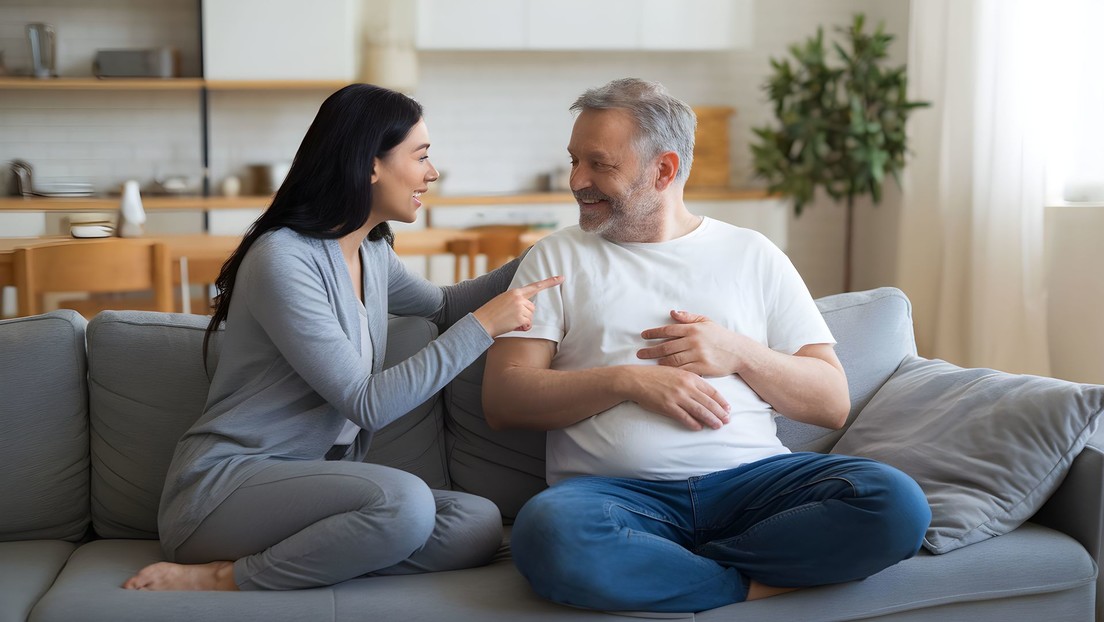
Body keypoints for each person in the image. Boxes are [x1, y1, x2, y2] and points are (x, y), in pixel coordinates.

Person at [482, 78, 931, 613]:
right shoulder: (555, 258)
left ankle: (666, 568)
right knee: (548, 533)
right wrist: (627, 382)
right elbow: (504, 400)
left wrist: (737, 351)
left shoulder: (753, 254)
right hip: (616, 499)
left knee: (896, 503)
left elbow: (830, 402)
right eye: (574, 160)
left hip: (754, 487)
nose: (577, 180)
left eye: (599, 164)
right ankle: (744, 586)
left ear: (664, 170)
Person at [123, 83, 562, 592]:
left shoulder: (370, 253)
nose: (432, 172)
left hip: (311, 491)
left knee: (477, 522)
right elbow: (365, 402)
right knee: (405, 504)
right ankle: (224, 577)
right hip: (224, 490)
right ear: (371, 164)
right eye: (421, 156)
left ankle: (320, 554)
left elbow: (443, 305)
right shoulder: (283, 259)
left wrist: (558, 249)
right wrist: (486, 326)